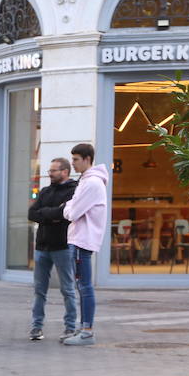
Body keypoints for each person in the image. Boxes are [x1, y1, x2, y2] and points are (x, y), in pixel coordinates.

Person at [61, 142, 109, 347]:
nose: (72, 164)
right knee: (82, 286)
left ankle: (87, 331)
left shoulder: (91, 183)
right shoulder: (86, 181)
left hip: (82, 240)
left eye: (76, 159)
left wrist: (67, 209)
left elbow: (72, 212)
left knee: (84, 286)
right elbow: (72, 207)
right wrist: (69, 207)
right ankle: (84, 329)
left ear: (87, 159)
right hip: (80, 239)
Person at [26, 158, 79, 341]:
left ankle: (70, 328)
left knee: (68, 289)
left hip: (63, 246)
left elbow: (65, 215)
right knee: (39, 290)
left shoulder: (73, 191)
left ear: (65, 171)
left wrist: (47, 214)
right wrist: (53, 214)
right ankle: (36, 327)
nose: (50, 173)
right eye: (50, 170)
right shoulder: (45, 191)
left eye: (54, 170)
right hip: (42, 246)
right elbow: (32, 213)